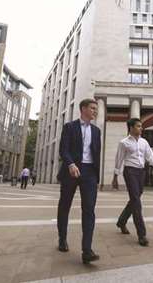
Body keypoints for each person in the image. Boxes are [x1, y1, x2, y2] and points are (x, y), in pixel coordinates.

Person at [56, 98, 100, 264]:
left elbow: (96, 154)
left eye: (96, 108)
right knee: (65, 205)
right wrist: (71, 164)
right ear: (83, 109)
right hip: (71, 170)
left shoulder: (97, 131)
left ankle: (87, 250)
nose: (95, 111)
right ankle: (62, 238)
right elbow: (63, 149)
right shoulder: (69, 127)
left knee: (89, 210)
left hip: (89, 173)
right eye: (93, 108)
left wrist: (96, 176)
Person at [113, 118, 153, 247]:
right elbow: (119, 159)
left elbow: (149, 154)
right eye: (139, 126)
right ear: (131, 128)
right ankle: (142, 234)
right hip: (130, 171)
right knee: (136, 201)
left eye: (141, 126)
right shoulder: (124, 143)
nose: (141, 128)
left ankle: (121, 221)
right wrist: (115, 176)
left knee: (135, 199)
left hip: (141, 172)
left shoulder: (144, 142)